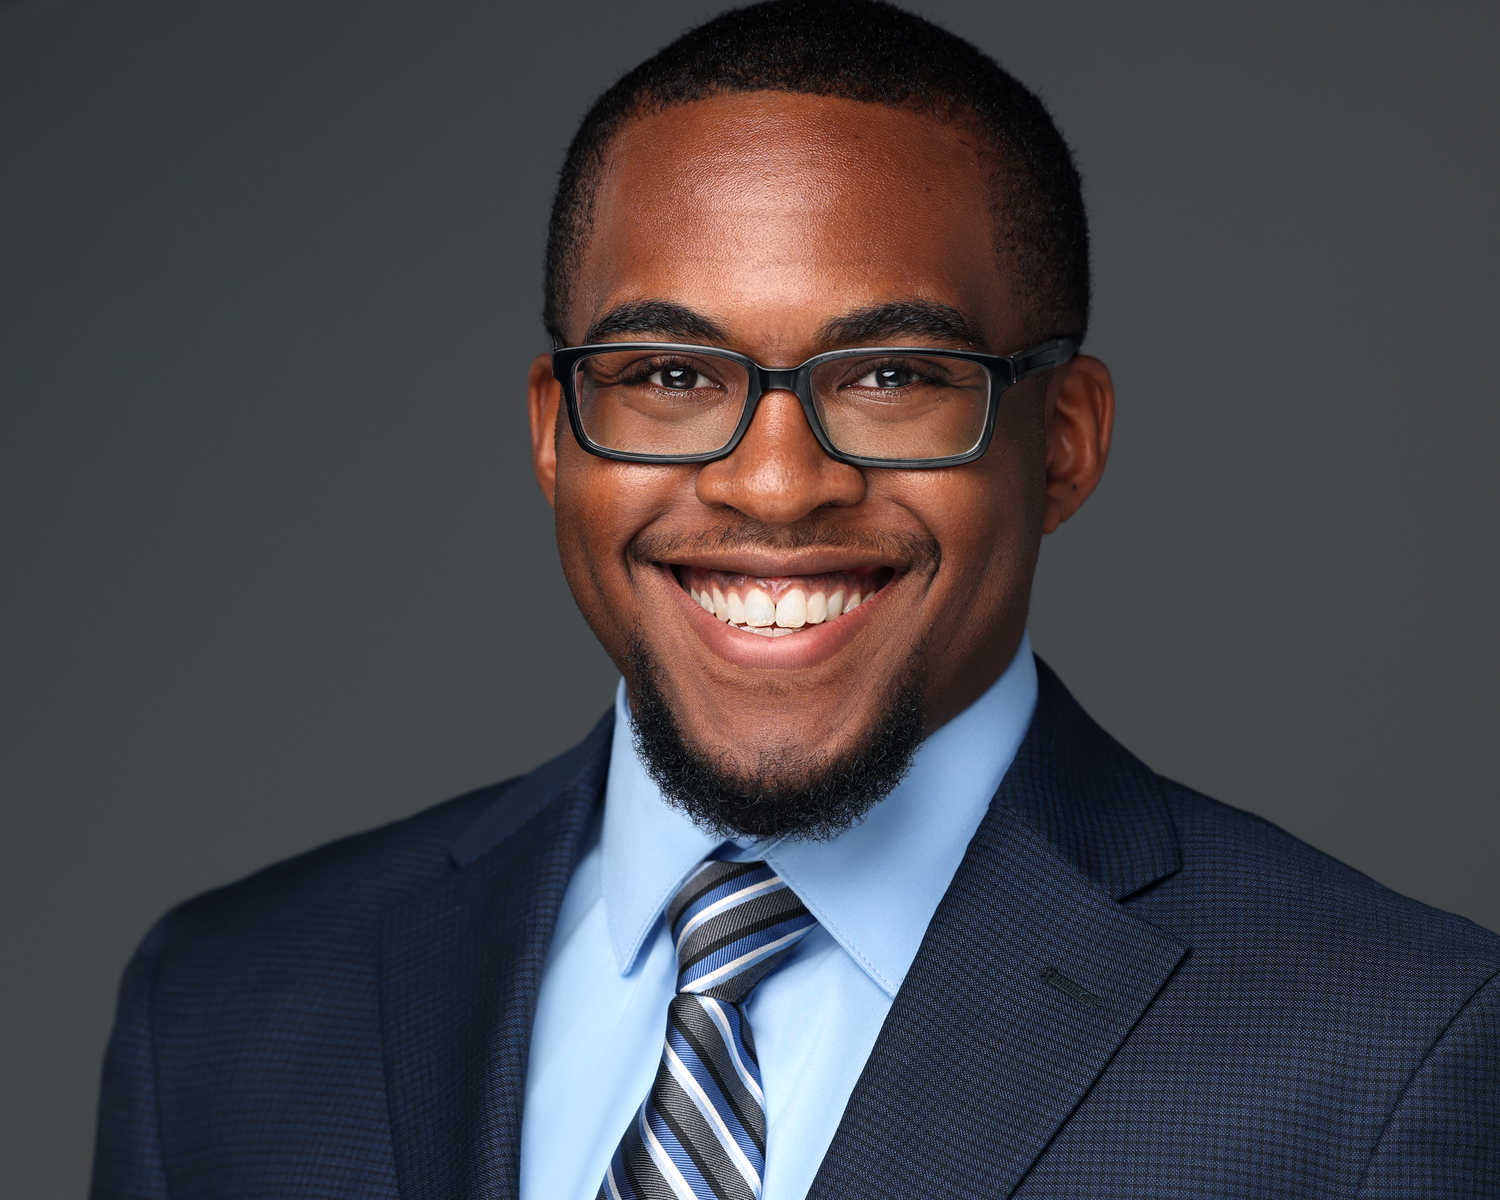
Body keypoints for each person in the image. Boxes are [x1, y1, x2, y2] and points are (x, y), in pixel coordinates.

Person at [91, 2, 1500, 1197]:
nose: (773, 486)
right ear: (555, 436)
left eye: (891, 377)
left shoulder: (1391, 1056)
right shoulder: (221, 1008)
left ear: (1064, 441)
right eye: (669, 376)